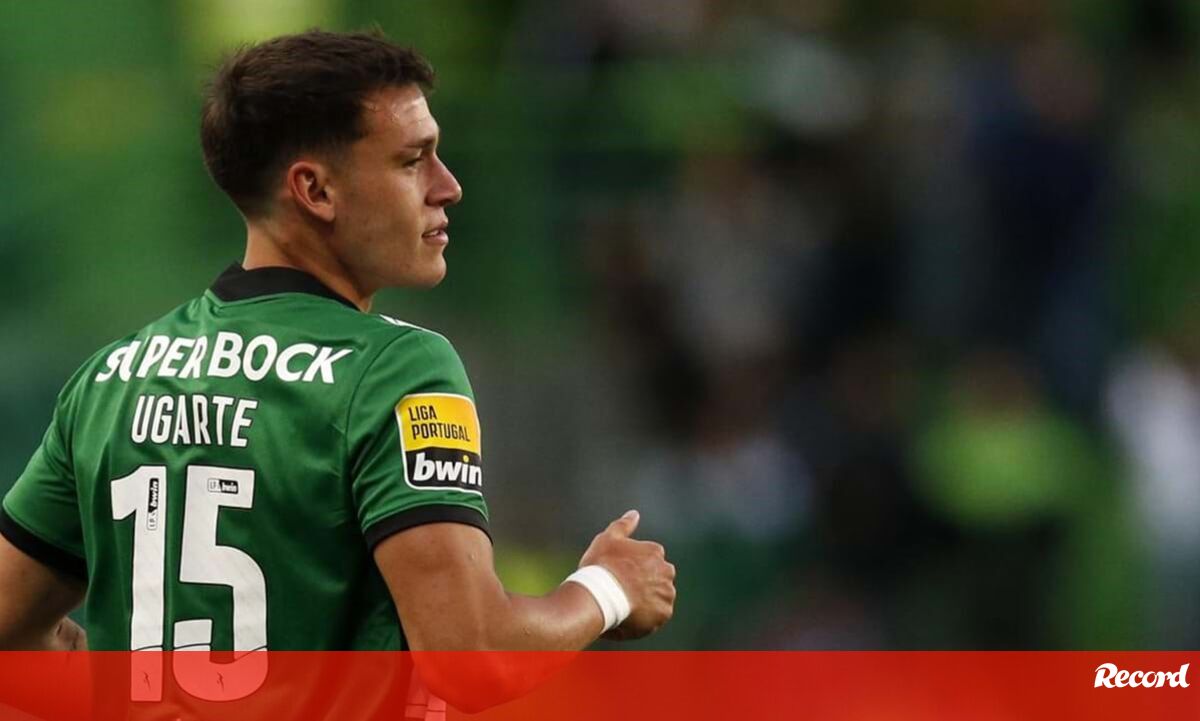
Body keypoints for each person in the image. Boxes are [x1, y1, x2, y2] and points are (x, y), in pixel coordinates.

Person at [0, 29, 674, 713]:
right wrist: (607, 589)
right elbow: (472, 658)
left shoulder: (110, 378)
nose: (448, 187)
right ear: (316, 190)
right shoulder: (395, 369)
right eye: (412, 160)